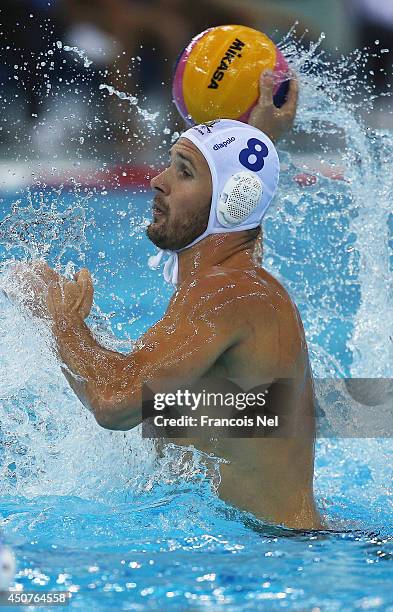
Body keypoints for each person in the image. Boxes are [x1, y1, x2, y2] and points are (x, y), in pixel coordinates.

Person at [9, 72, 324, 530]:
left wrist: (60, 321)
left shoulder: (225, 293)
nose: (158, 180)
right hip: (264, 548)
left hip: (274, 559)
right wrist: (255, 140)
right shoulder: (234, 282)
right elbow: (243, 212)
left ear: (232, 202)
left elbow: (115, 402)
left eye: (184, 171)